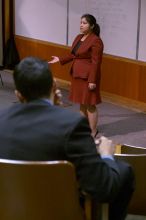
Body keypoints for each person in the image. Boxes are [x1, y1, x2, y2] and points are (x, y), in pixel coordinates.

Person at [0, 57, 134, 220]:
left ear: (18, 94)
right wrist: (106, 154)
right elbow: (102, 188)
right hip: (60, 214)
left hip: (12, 211)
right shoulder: (73, 124)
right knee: (124, 170)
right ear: (54, 86)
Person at [48, 14, 103, 138]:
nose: (81, 25)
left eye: (84, 23)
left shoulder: (96, 40)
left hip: (88, 77)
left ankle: (93, 132)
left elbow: (96, 62)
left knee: (90, 104)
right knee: (82, 103)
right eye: (81, 22)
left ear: (92, 26)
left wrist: (92, 80)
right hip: (77, 74)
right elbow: (74, 55)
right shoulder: (79, 37)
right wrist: (60, 59)